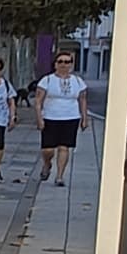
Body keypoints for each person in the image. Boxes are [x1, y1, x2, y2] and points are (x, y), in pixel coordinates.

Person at [35, 50, 88, 182]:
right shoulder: (46, 80)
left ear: (71, 65)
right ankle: (47, 164)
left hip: (71, 117)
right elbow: (38, 101)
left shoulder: (78, 81)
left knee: (64, 147)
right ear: (55, 64)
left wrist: (84, 118)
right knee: (48, 149)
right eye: (60, 62)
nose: (64, 65)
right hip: (50, 117)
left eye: (67, 62)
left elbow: (82, 100)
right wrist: (39, 118)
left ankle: (59, 176)